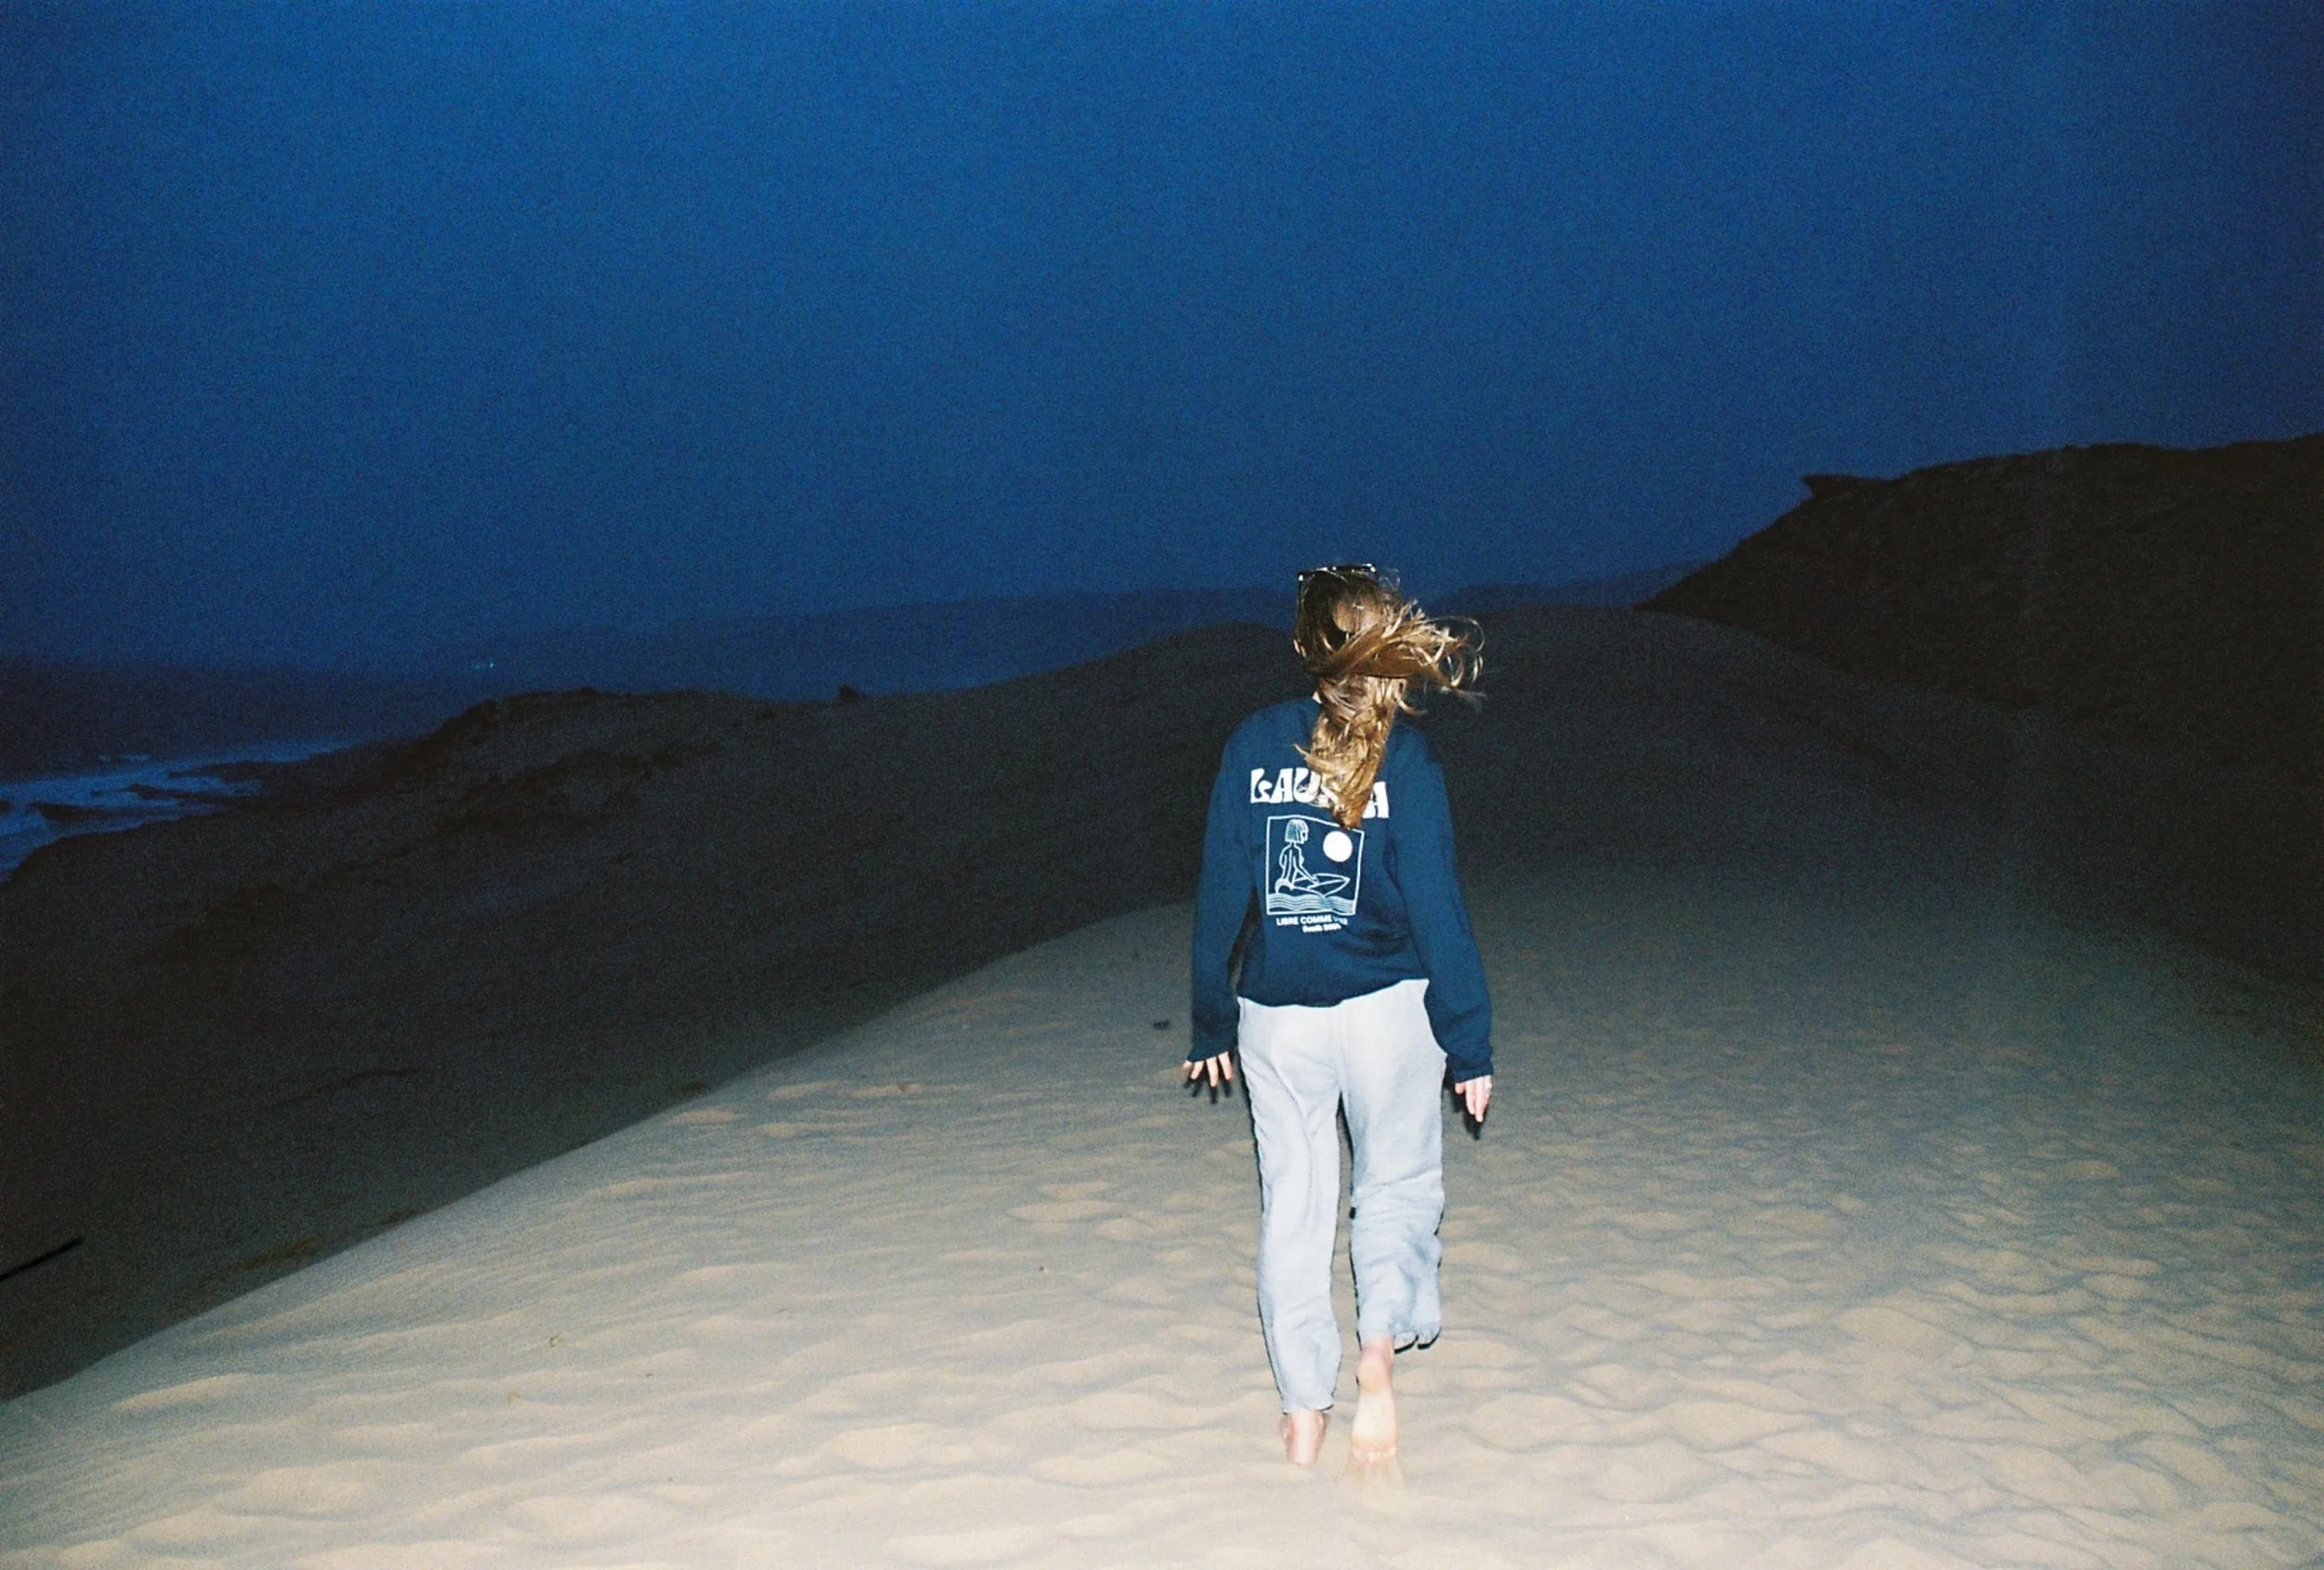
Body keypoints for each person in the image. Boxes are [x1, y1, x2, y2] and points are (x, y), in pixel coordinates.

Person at [1187, 563, 1493, 1467]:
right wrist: (1468, 1041)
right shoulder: (1406, 753)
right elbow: (1439, 911)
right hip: (1387, 1014)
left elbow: (1219, 898)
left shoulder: (1251, 744)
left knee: (1294, 1205)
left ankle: (1300, 1415)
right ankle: (1375, 1357)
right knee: (1393, 1186)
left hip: (1276, 1018)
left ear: (1301, 649)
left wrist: (1211, 1022)